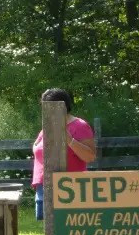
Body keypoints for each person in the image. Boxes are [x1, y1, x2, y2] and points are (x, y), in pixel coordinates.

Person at [32, 88, 96, 220]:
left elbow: (90, 156)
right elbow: (36, 146)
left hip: (69, 187)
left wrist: (70, 140)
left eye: (48, 106)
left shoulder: (80, 125)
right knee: (48, 228)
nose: (45, 110)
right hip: (44, 185)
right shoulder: (48, 125)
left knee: (66, 227)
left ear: (62, 106)